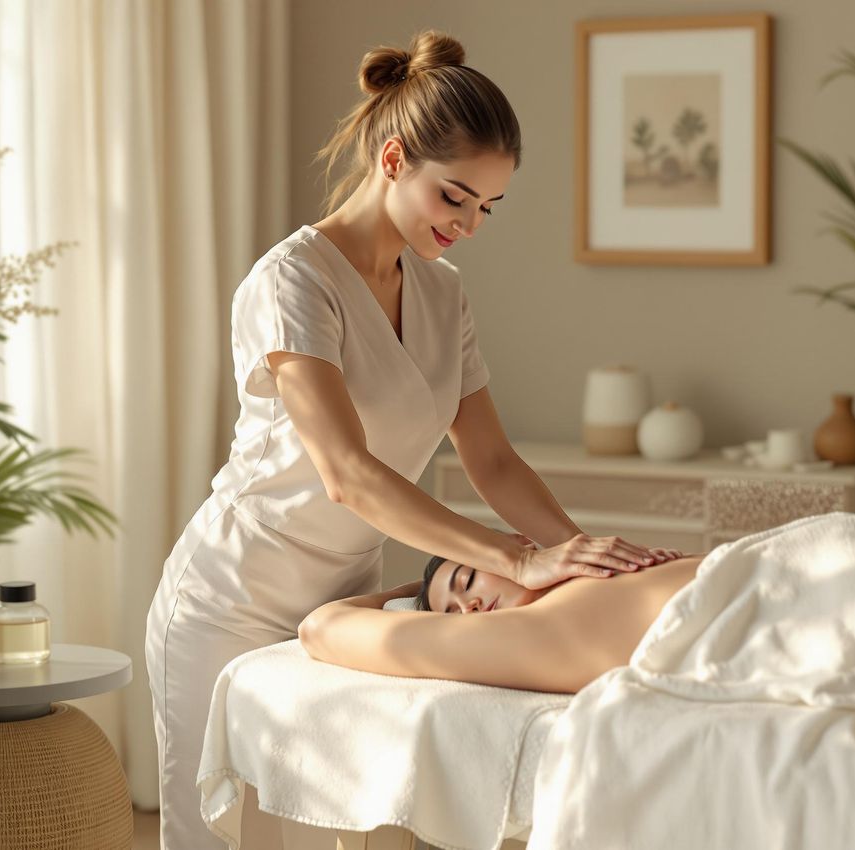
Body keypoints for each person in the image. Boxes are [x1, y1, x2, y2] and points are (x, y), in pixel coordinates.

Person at [144, 30, 668, 850]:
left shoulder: (442, 291)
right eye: (454, 198)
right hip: (231, 600)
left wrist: (585, 561)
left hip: (346, 602)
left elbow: (491, 458)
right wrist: (516, 558)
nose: (469, 224)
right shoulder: (293, 282)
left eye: (486, 207)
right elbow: (347, 473)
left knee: (322, 830)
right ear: (393, 161)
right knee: (222, 839)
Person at [298, 548, 707, 694]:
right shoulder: (538, 628)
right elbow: (317, 628)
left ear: (519, 547)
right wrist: (401, 594)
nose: (471, 606)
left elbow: (323, 627)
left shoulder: (613, 568)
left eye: (468, 579)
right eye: (453, 616)